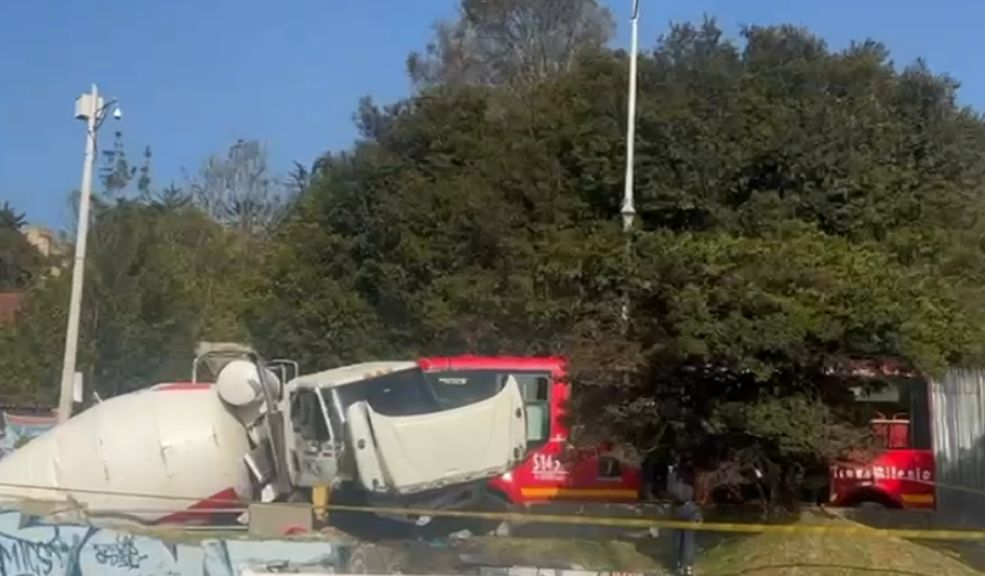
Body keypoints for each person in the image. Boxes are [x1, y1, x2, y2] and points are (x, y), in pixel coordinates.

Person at [667, 455, 702, 576]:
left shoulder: (678, 476)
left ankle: (682, 566)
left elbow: (671, 492)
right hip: (685, 508)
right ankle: (684, 566)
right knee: (685, 540)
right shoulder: (692, 476)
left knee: (683, 540)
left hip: (683, 508)